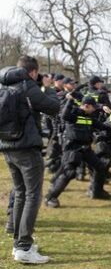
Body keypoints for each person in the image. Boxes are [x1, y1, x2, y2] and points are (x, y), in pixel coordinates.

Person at [0, 57, 60, 264]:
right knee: (32, 195)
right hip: (27, 148)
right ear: (33, 72)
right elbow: (53, 107)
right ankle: (23, 247)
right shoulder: (27, 86)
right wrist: (48, 88)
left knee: (20, 193)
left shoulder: (4, 84)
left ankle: (19, 243)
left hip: (8, 145)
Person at [45, 96, 111, 208]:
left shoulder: (89, 117)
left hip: (85, 148)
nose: (94, 110)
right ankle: (50, 197)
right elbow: (64, 115)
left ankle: (97, 192)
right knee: (69, 173)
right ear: (86, 106)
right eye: (93, 107)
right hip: (72, 148)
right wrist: (70, 100)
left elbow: (102, 126)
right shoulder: (73, 113)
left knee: (101, 167)